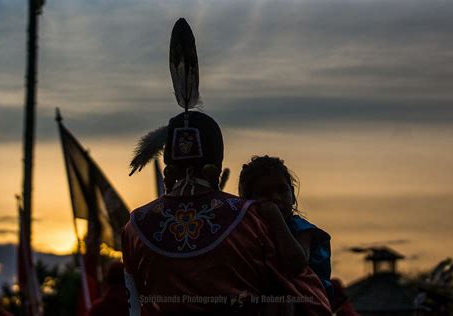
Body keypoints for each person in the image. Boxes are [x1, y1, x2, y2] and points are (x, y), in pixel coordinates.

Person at [122, 18, 331, 315]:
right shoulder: (253, 219)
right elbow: (299, 292)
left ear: (167, 171)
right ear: (214, 171)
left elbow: (135, 307)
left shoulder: (134, 227)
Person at [239, 156, 333, 300]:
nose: (276, 198)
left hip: (309, 300)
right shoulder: (250, 230)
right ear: (247, 201)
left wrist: (275, 218)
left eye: (282, 190)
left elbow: (296, 264)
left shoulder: (301, 228)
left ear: (293, 194)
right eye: (264, 193)